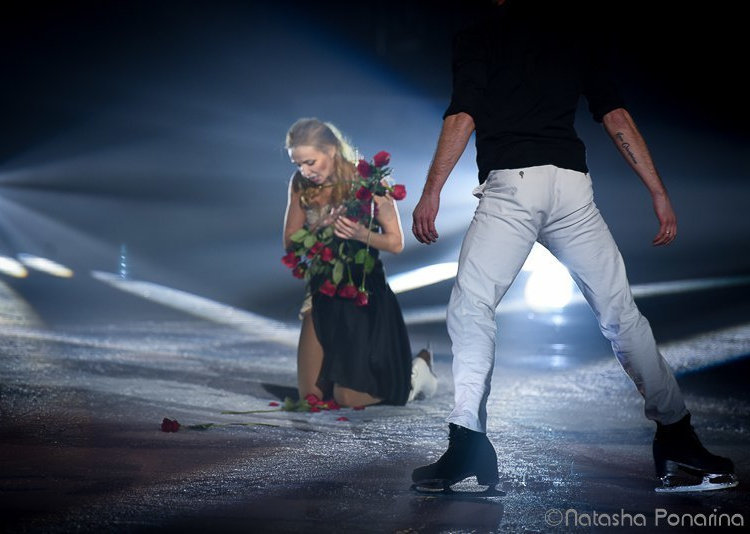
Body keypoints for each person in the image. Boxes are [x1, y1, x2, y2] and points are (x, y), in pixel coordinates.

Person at [409, 0, 737, 493]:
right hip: (571, 187)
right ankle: (677, 438)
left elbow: (464, 112)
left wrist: (432, 190)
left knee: (472, 306)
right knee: (621, 315)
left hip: (514, 187)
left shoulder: (479, 34)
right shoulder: (576, 31)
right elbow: (614, 113)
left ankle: (468, 442)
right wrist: (658, 190)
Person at [283, 117, 438, 407]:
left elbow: (395, 242)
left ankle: (416, 374)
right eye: (298, 164)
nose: (304, 171)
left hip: (361, 294)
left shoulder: (367, 181)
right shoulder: (301, 185)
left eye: (310, 162)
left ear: (331, 150)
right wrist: (320, 226)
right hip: (322, 289)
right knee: (311, 398)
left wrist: (361, 234)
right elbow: (290, 242)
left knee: (348, 396)